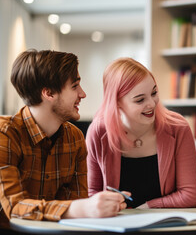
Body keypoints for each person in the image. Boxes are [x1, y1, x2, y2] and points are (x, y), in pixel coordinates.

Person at [0, 49, 128, 229]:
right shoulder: (5, 134)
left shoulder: (74, 138)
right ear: (49, 93)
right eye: (75, 86)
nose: (82, 94)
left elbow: (75, 207)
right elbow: (13, 208)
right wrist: (79, 209)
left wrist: (95, 207)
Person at [86, 57, 196, 209]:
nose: (152, 104)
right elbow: (91, 194)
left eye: (154, 93)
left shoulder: (177, 127)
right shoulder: (99, 132)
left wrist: (147, 207)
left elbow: (190, 195)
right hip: (116, 224)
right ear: (116, 103)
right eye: (140, 100)